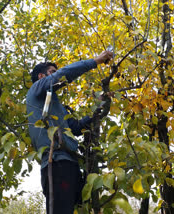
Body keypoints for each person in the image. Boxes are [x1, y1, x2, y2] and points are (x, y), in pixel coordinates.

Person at [26, 51, 113, 214]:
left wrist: (98, 104)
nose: (56, 75)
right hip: (55, 163)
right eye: (52, 72)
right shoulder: (35, 90)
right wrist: (95, 61)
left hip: (70, 164)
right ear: (40, 76)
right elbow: (63, 75)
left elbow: (76, 128)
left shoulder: (55, 106)